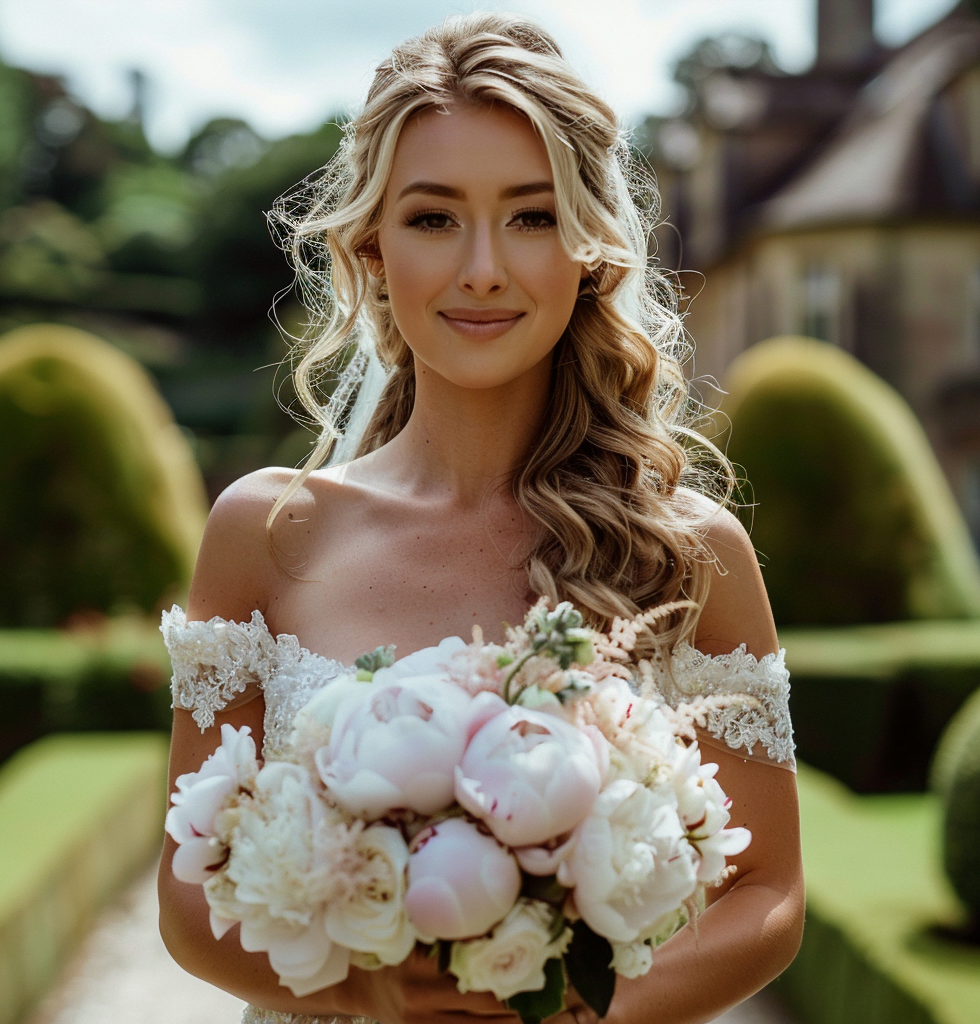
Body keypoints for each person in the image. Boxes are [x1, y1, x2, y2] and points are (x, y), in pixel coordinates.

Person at [157, 13, 804, 1024]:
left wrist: (574, 1013)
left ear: (587, 249)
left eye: (531, 216)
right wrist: (376, 991)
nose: (483, 269)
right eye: (432, 217)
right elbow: (188, 897)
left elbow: (769, 893)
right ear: (370, 247)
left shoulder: (688, 552)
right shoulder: (266, 533)